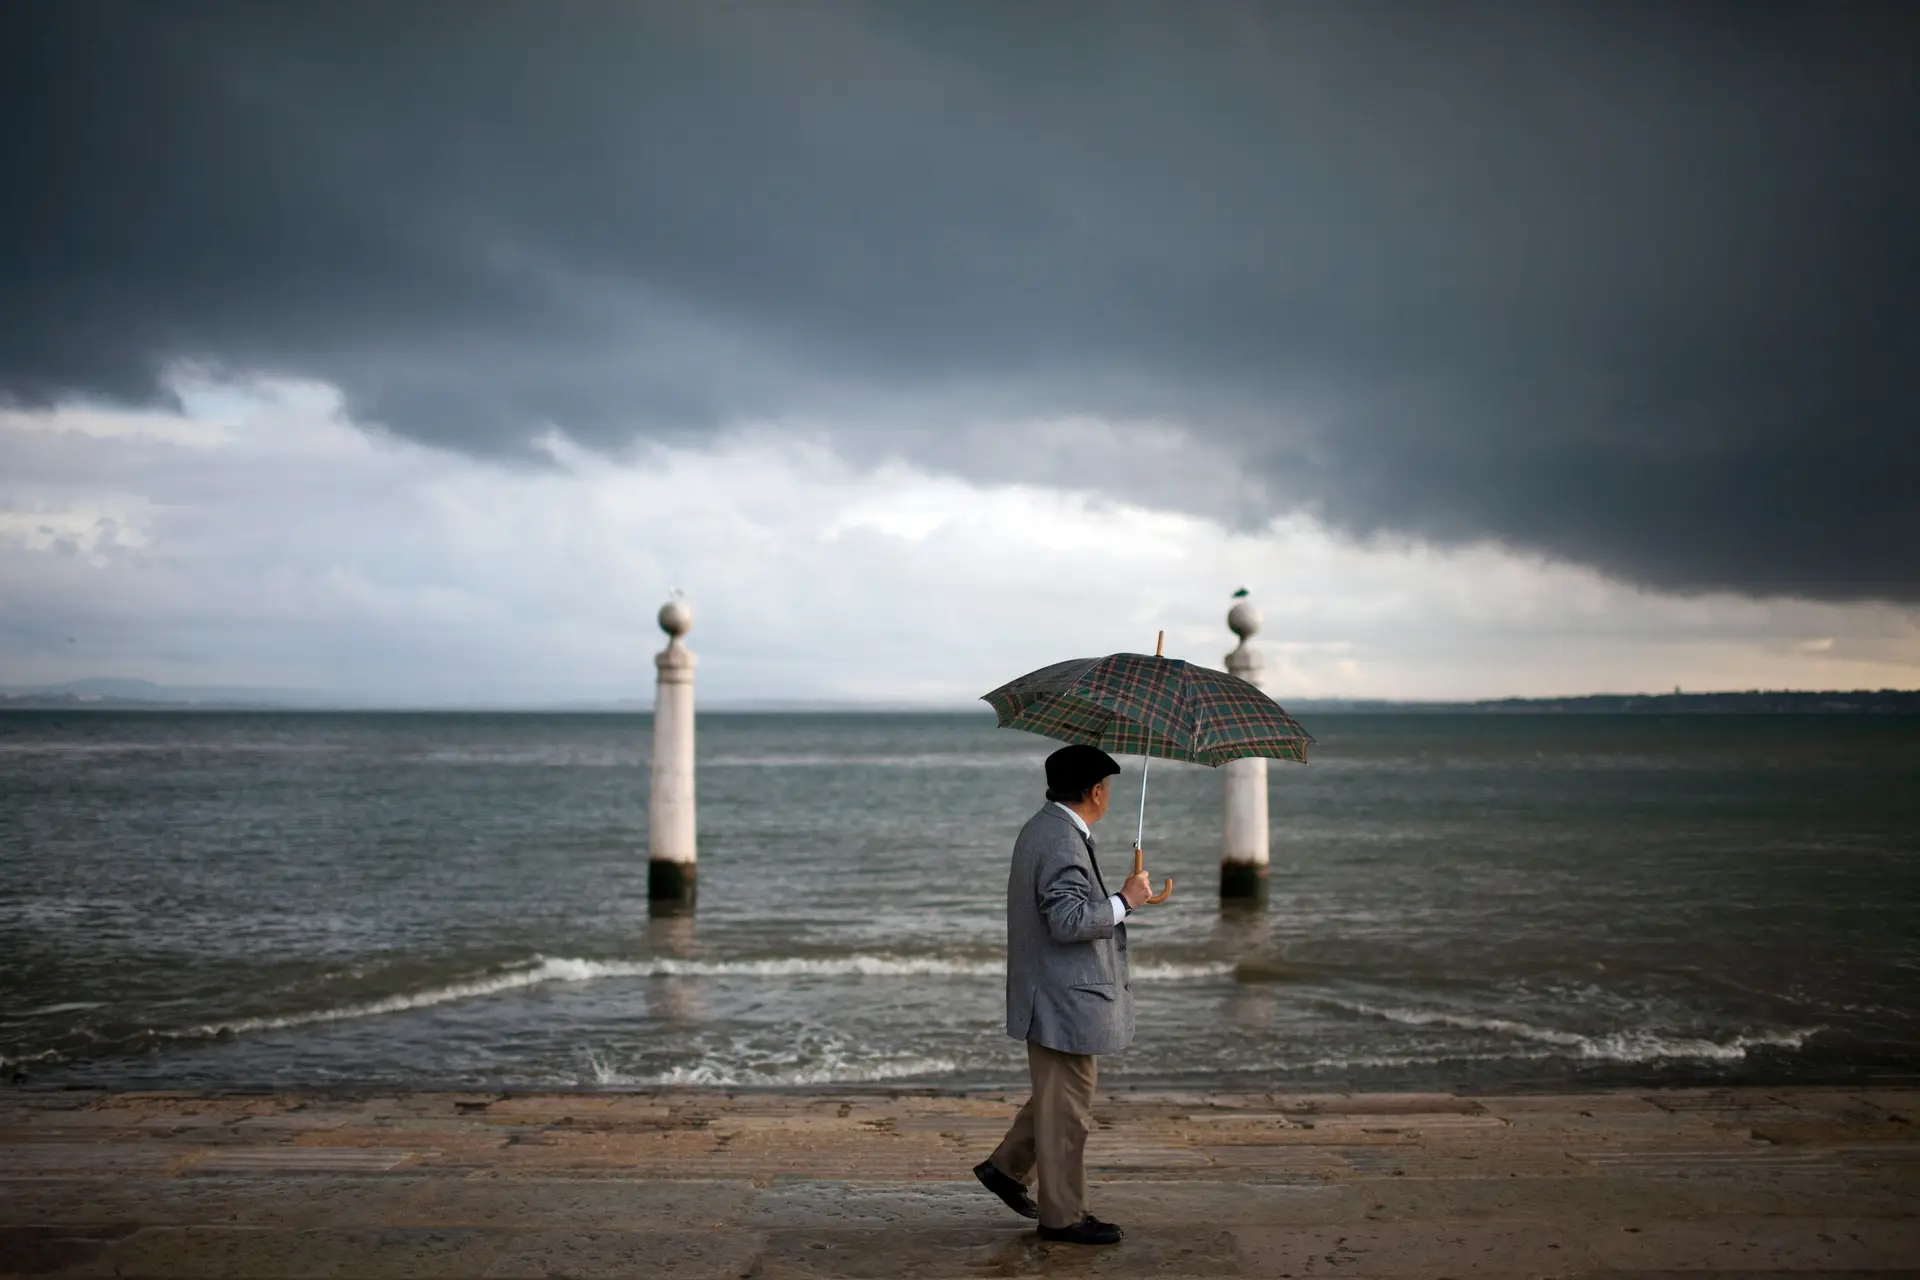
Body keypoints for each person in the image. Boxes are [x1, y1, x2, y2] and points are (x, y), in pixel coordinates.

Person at [972, 743, 1158, 1245]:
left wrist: (1121, 899)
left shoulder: (1048, 828)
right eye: (1108, 788)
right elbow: (1068, 920)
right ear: (1096, 791)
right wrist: (1125, 900)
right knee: (1069, 1111)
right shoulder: (1061, 840)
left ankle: (1006, 1170)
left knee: (1058, 1098)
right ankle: (1063, 1217)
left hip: (1054, 993)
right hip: (1063, 997)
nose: (1110, 795)